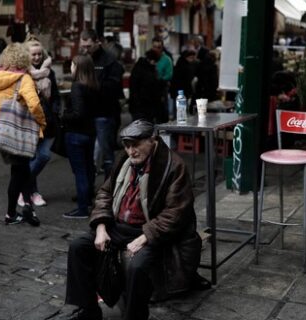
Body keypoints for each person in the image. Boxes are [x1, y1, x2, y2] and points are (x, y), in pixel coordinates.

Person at [64, 119, 202, 320]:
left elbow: (175, 212)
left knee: (138, 265)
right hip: (119, 227)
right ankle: (88, 310)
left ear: (152, 141)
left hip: (150, 231)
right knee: (78, 246)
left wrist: (145, 236)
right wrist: (101, 227)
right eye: (127, 146)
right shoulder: (125, 161)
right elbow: (105, 193)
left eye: (136, 144)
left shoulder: (173, 166)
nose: (131, 151)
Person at [0, 43, 45, 226]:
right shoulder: (24, 79)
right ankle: (11, 213)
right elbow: (35, 105)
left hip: (0, 132)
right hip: (17, 133)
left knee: (22, 170)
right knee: (18, 172)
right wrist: (41, 122)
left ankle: (26, 206)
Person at [18, 39, 61, 207]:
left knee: (44, 156)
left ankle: (23, 188)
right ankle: (32, 192)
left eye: (39, 54)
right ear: (26, 55)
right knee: (33, 157)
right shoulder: (22, 73)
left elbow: (56, 95)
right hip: (28, 120)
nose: (36, 57)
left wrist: (56, 110)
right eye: (33, 54)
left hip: (48, 121)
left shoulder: (49, 72)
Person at [79, 29, 124, 180]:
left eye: (88, 46)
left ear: (97, 42)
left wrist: (91, 85)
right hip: (87, 114)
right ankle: (87, 191)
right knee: (87, 156)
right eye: (83, 46)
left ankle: (108, 190)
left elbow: (113, 87)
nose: (86, 50)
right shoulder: (84, 59)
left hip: (104, 113)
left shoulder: (109, 61)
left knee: (107, 156)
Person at [61, 54, 99, 219]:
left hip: (76, 134)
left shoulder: (77, 87)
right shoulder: (93, 86)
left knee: (80, 172)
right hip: (89, 133)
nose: (71, 67)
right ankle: (88, 200)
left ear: (77, 68)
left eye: (72, 65)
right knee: (89, 168)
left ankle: (82, 208)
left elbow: (78, 113)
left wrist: (63, 116)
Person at [128, 50, 165, 123]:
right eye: (155, 61)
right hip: (142, 107)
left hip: (142, 106)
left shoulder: (141, 68)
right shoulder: (146, 70)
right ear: (150, 59)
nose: (155, 63)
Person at [151, 37, 173, 121]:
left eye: (158, 47)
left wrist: (159, 80)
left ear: (162, 48)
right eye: (154, 47)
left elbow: (169, 75)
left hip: (161, 89)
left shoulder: (167, 60)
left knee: (161, 114)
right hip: (149, 90)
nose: (156, 49)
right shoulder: (148, 58)